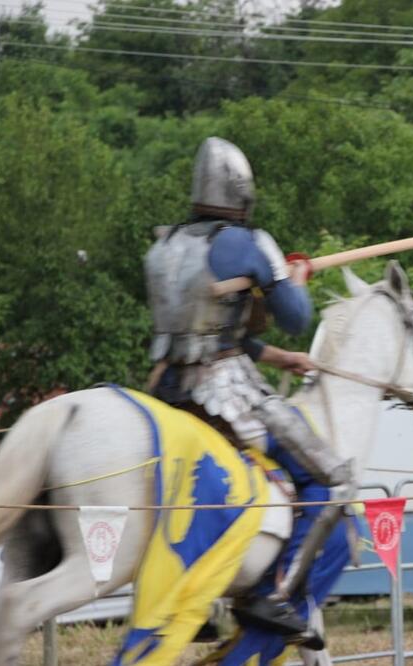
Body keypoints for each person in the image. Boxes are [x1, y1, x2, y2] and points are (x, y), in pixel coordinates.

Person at [143, 137, 354, 641]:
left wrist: (278, 358)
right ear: (243, 193)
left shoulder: (165, 244)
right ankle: (274, 595)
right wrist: (292, 276)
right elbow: (296, 318)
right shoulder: (245, 242)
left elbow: (213, 331)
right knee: (333, 482)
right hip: (223, 392)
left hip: (165, 388)